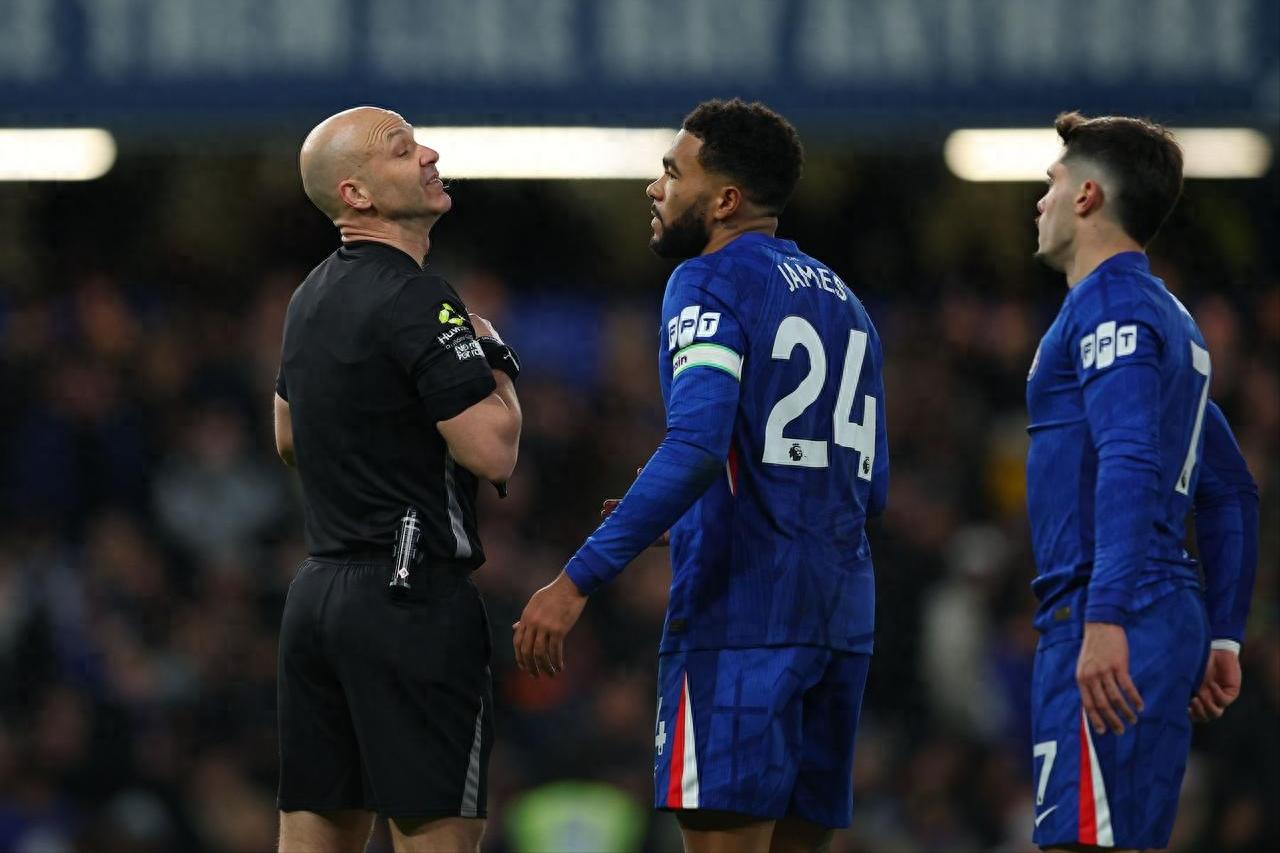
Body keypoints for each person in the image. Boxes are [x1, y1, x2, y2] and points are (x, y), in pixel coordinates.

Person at [514, 99, 889, 853]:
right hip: (840, 620)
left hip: (740, 621)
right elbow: (865, 486)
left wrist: (576, 580)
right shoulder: (848, 303)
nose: (656, 188)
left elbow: (695, 443)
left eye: (671, 171)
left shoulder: (707, 280)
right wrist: (692, 514)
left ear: (725, 200)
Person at [272, 106, 522, 853]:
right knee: (435, 836)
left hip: (316, 595)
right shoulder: (420, 296)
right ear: (357, 194)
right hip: (409, 601)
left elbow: (288, 435)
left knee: (314, 834)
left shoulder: (307, 296)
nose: (430, 154)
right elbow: (493, 451)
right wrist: (497, 356)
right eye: (403, 149)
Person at [1025, 111, 1258, 852]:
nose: (1042, 200)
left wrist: (1106, 615)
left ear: (1089, 195)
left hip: (1113, 611)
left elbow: (1128, 456)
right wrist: (1223, 633)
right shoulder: (1169, 317)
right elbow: (1231, 488)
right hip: (1157, 614)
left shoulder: (1110, 305)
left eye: (1053, 183)